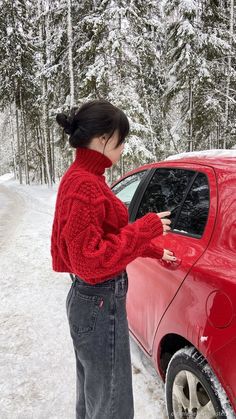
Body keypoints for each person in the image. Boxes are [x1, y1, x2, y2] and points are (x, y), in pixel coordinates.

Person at [50, 99, 176, 419]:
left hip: (93, 301)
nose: (122, 150)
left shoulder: (85, 178)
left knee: (97, 395)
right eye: (120, 142)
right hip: (98, 300)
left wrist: (152, 247)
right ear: (104, 139)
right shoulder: (85, 185)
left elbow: (109, 236)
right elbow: (90, 262)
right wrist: (145, 229)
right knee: (111, 404)